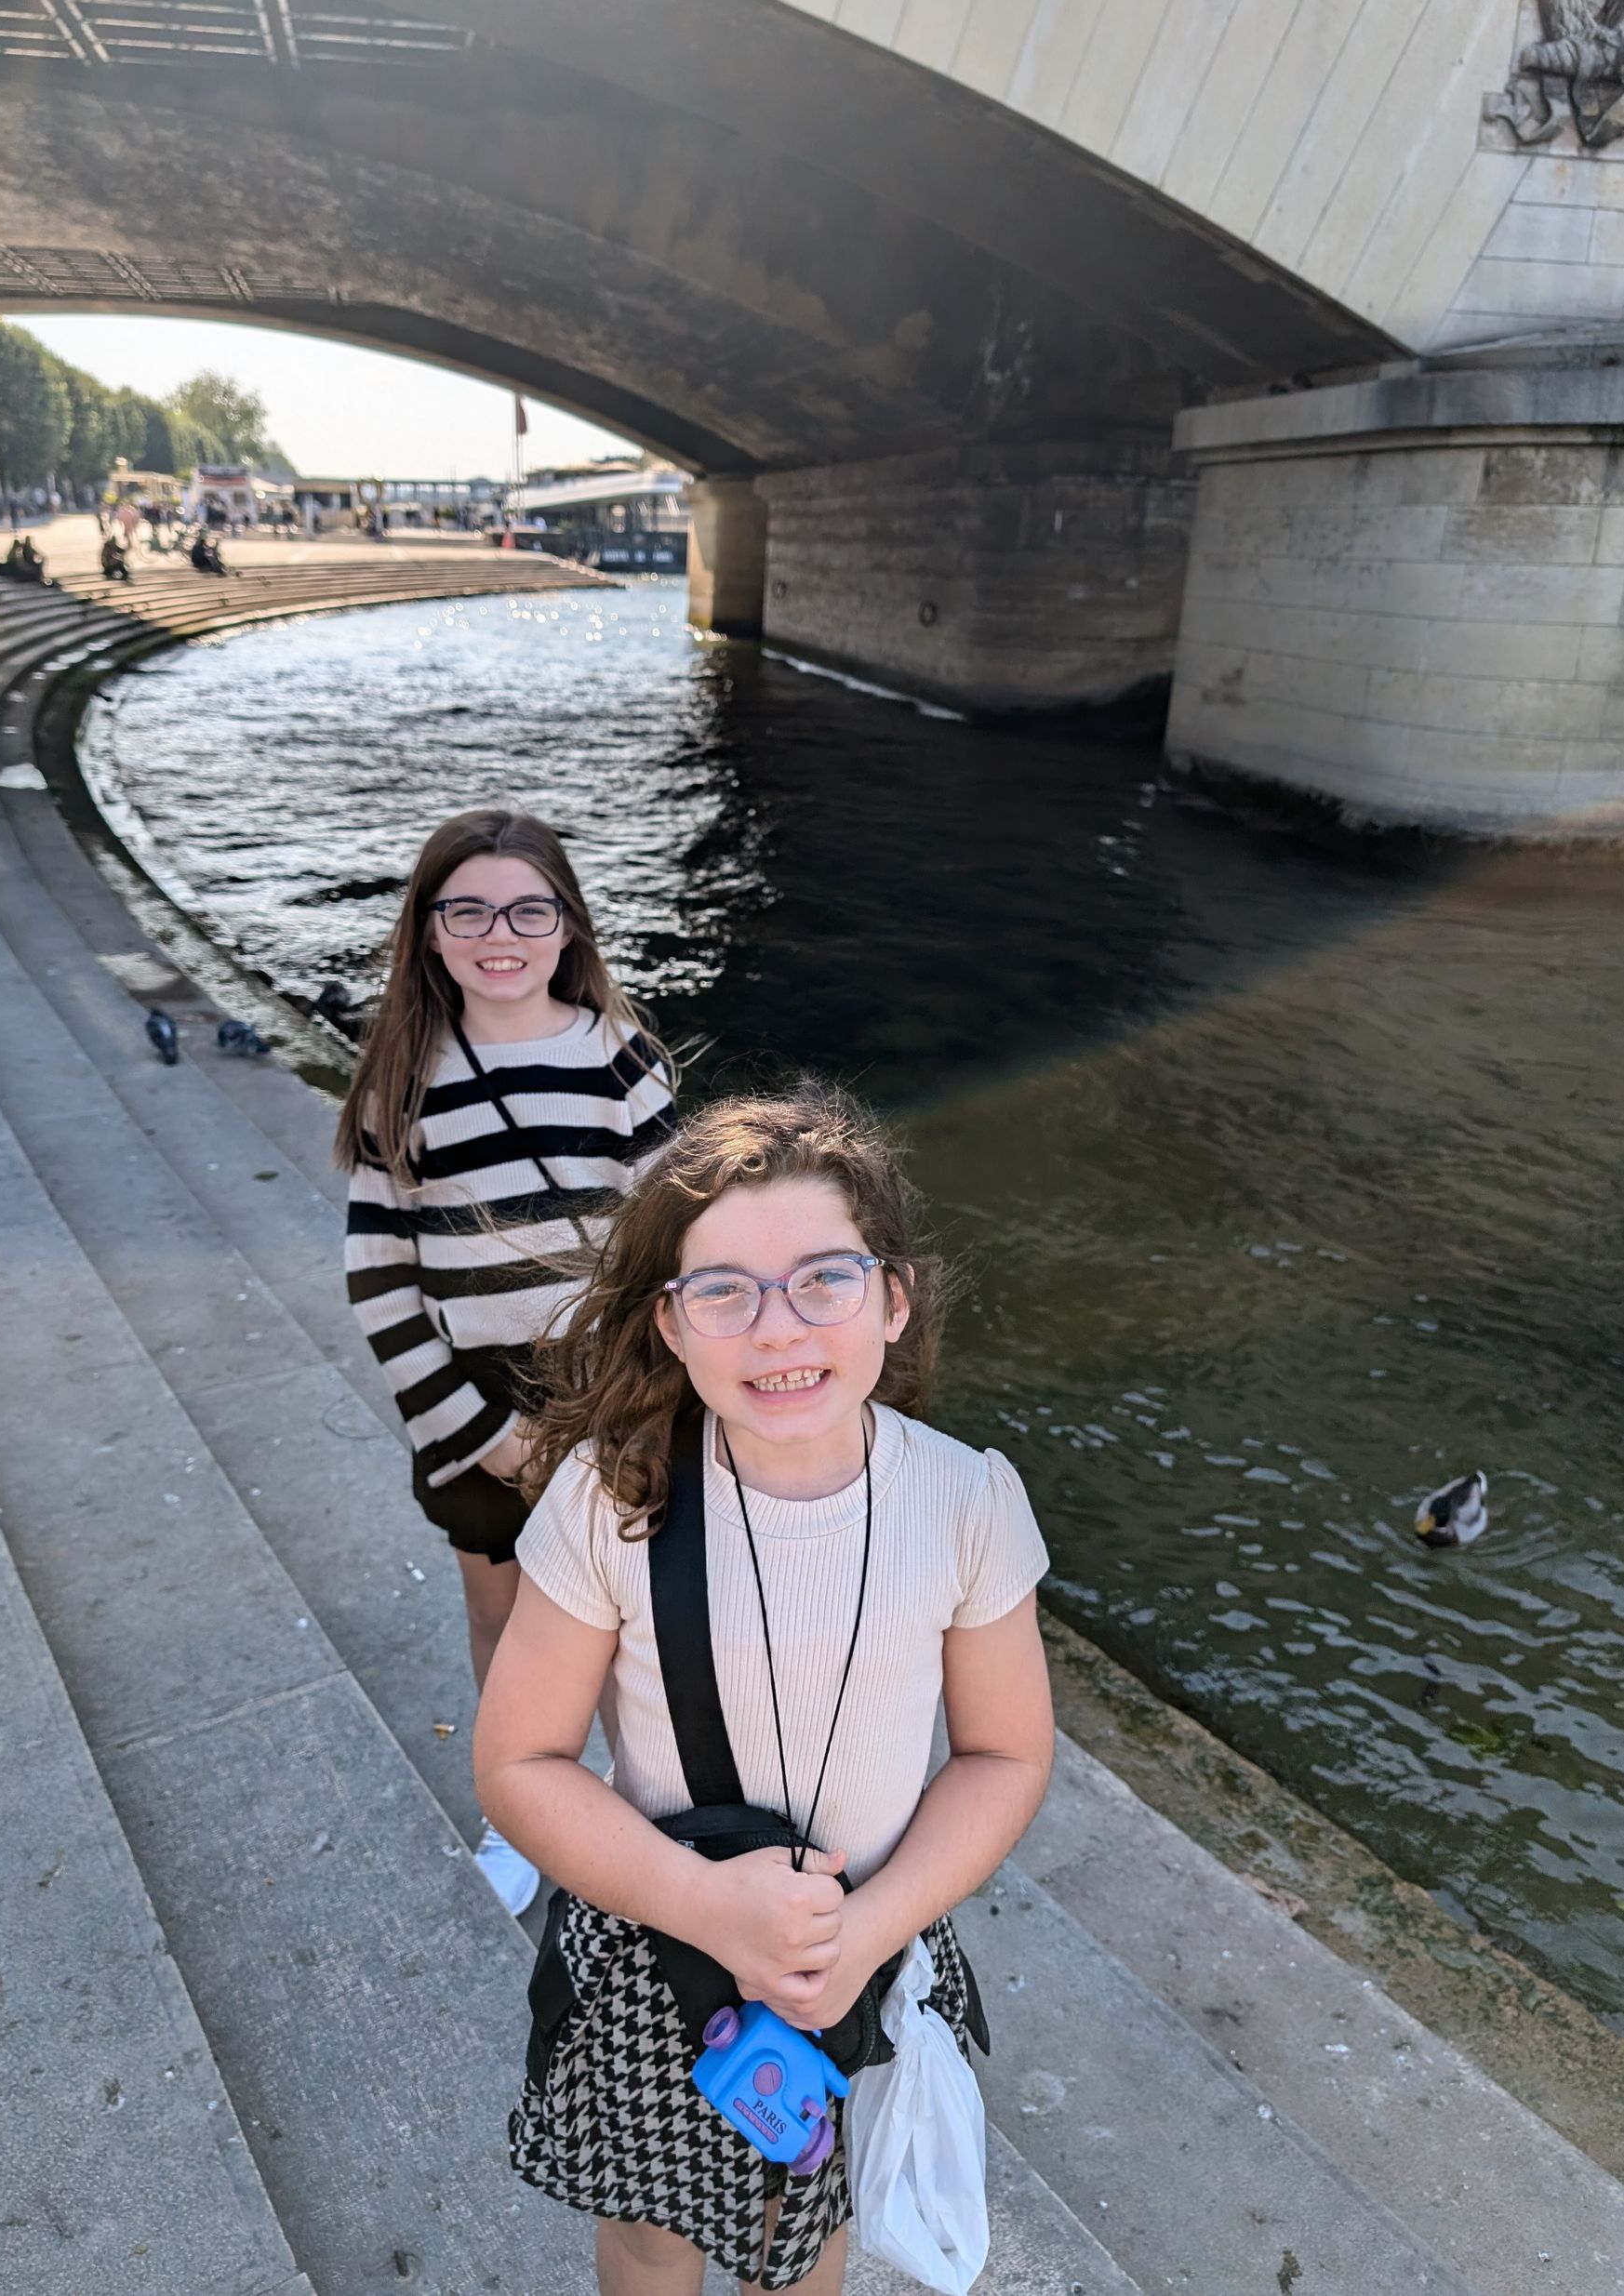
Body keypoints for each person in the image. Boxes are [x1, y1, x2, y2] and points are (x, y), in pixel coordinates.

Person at [473, 1087, 1057, 2295]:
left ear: (893, 1298)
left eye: (823, 1278)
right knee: (650, 2227)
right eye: (724, 1290)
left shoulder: (967, 1500)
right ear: (673, 1326)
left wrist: (870, 1932)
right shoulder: (609, 1495)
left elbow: (1005, 1752)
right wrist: (703, 1900)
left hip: (865, 1932)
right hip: (656, 1939)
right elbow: (519, 1759)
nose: (779, 1327)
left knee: (806, 2226)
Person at [337, 809, 675, 1917]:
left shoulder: (620, 1057)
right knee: (505, 1616)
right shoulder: (400, 1075)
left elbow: (673, 1246)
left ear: (568, 925)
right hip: (471, 1396)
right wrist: (484, 1434)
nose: (502, 933)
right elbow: (382, 1275)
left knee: (634, 1608)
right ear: (429, 931)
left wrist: (636, 1405)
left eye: (531, 909)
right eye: (469, 910)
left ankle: (648, 1794)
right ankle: (525, 1804)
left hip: (611, 1386)